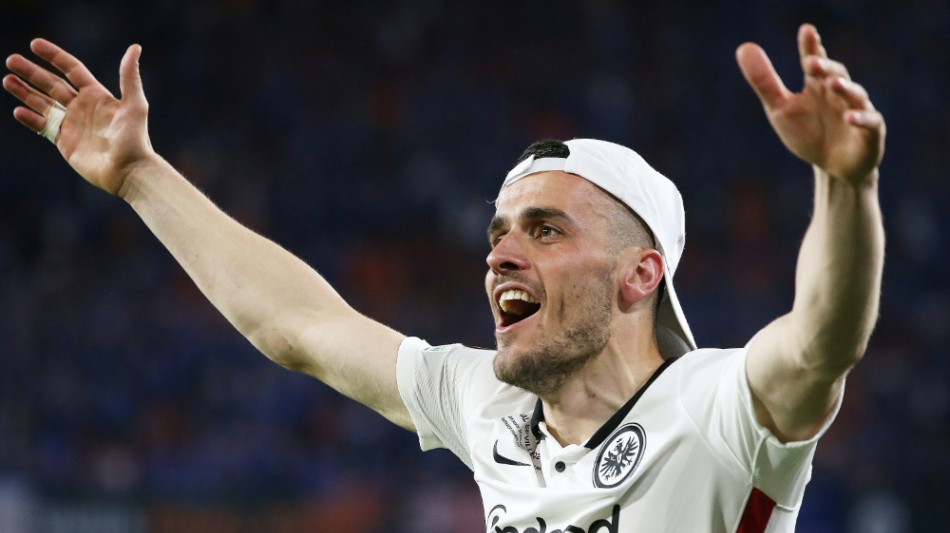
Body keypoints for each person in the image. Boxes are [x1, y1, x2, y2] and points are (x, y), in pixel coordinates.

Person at [4, 22, 884, 532]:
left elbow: (823, 339)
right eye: (499, 233)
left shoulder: (719, 408)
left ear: (640, 274)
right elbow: (300, 326)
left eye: (546, 230)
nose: (500, 254)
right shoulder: (489, 405)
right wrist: (139, 176)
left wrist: (845, 185)